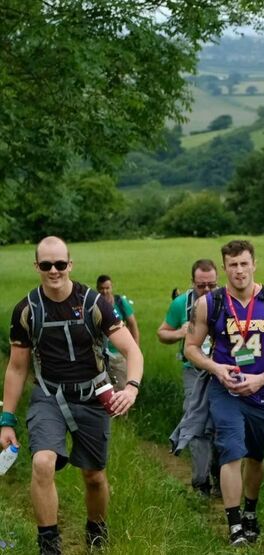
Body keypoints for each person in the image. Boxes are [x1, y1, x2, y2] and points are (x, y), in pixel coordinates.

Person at [0, 236, 144, 555]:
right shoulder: (27, 310)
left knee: (93, 476)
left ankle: (96, 532)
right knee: (42, 462)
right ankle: (49, 544)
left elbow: (131, 350)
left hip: (92, 395)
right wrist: (6, 420)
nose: (54, 271)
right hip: (48, 396)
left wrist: (131, 387)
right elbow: (17, 368)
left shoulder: (94, 304)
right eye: (47, 265)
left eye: (60, 264)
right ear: (37, 266)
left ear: (70, 264)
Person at [184, 240, 264, 546]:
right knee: (232, 450)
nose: (239, 270)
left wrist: (262, 378)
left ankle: (250, 512)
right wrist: (217, 369)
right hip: (225, 391)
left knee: (255, 457)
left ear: (254, 264)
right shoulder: (210, 303)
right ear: (224, 268)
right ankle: (234, 526)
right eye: (233, 265)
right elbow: (190, 348)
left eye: (244, 263)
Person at [157, 259, 219, 496]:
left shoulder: (226, 301)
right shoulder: (181, 304)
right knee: (197, 422)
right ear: (192, 282)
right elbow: (162, 333)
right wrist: (179, 333)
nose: (207, 291)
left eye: (212, 285)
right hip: (193, 371)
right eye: (201, 286)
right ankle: (201, 482)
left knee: (221, 424)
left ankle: (221, 478)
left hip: (221, 370)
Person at [96, 275, 140, 391]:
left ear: (112, 287)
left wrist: (135, 351)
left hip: (119, 355)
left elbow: (133, 324)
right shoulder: (94, 304)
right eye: (101, 288)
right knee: (103, 392)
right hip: (100, 356)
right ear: (97, 288)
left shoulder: (120, 302)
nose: (104, 291)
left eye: (107, 288)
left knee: (121, 388)